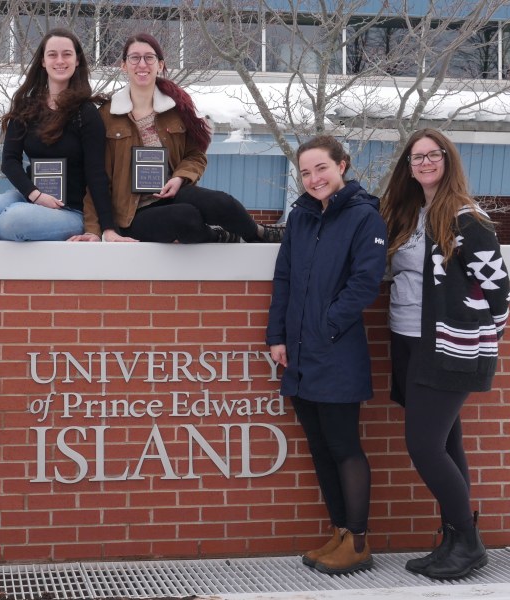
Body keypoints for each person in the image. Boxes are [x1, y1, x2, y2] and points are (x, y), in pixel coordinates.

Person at [381, 129, 509, 579]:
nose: (424, 163)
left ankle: (468, 543)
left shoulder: (465, 217)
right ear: (408, 167)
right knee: (448, 442)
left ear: (447, 160)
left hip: (448, 346)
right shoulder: (408, 212)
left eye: (433, 155)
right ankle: (455, 539)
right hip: (409, 340)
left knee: (424, 445)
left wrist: (477, 339)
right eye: (416, 157)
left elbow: (497, 288)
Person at [266, 136, 387, 574]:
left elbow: (365, 283)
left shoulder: (364, 217)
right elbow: (284, 279)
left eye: (322, 168)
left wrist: (326, 324)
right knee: (318, 447)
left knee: (343, 446)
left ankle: (357, 541)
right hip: (298, 353)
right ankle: (338, 532)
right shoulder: (300, 219)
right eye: (305, 172)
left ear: (342, 165)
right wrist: (277, 336)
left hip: (336, 351)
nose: (314, 178)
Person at [70, 32, 284, 243]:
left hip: (171, 193)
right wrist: (94, 230)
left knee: (220, 202)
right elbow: (97, 177)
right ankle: (219, 236)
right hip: (132, 214)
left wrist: (179, 177)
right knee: (186, 218)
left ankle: (258, 234)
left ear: (160, 65)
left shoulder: (176, 109)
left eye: (149, 57)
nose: (142, 64)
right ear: (123, 65)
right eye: (134, 58)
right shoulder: (106, 115)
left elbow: (195, 154)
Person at [0, 29, 114, 241]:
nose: (60, 60)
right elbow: (9, 161)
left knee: (12, 221)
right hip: (30, 198)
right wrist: (35, 195)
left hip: (70, 211)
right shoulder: (26, 106)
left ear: (77, 60)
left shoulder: (86, 113)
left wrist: (106, 228)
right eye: (52, 54)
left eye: (67, 54)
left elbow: (97, 173)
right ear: (43, 61)